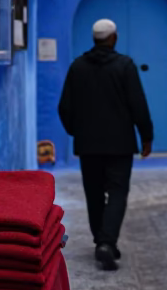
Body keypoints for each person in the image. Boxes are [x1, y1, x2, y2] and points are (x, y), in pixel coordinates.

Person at [58, 17, 153, 271]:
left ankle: (101, 240)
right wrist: (146, 136)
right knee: (118, 192)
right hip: (120, 145)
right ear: (114, 38)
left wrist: (77, 132)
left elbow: (64, 108)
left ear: (95, 39)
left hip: (88, 145)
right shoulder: (125, 66)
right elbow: (138, 105)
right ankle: (107, 243)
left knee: (94, 193)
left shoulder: (77, 67)